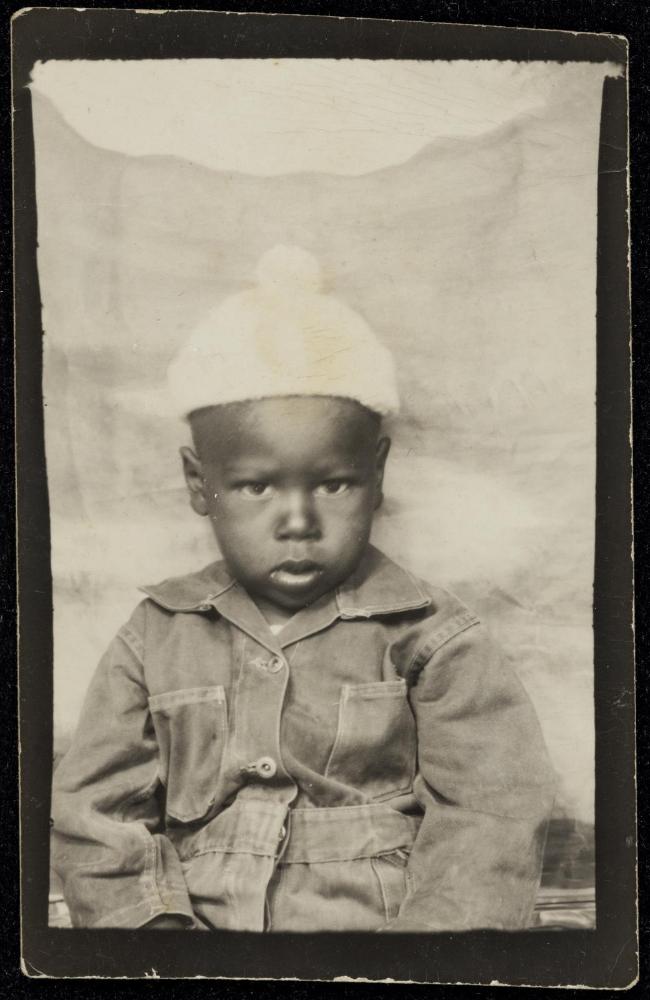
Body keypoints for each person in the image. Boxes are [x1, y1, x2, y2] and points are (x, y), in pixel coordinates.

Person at [51, 245, 557, 932]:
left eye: (333, 483)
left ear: (376, 474)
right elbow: (95, 812)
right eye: (257, 486)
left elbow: (491, 812)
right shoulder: (155, 634)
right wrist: (156, 935)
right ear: (201, 484)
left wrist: (426, 958)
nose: (298, 521)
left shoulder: (433, 638)